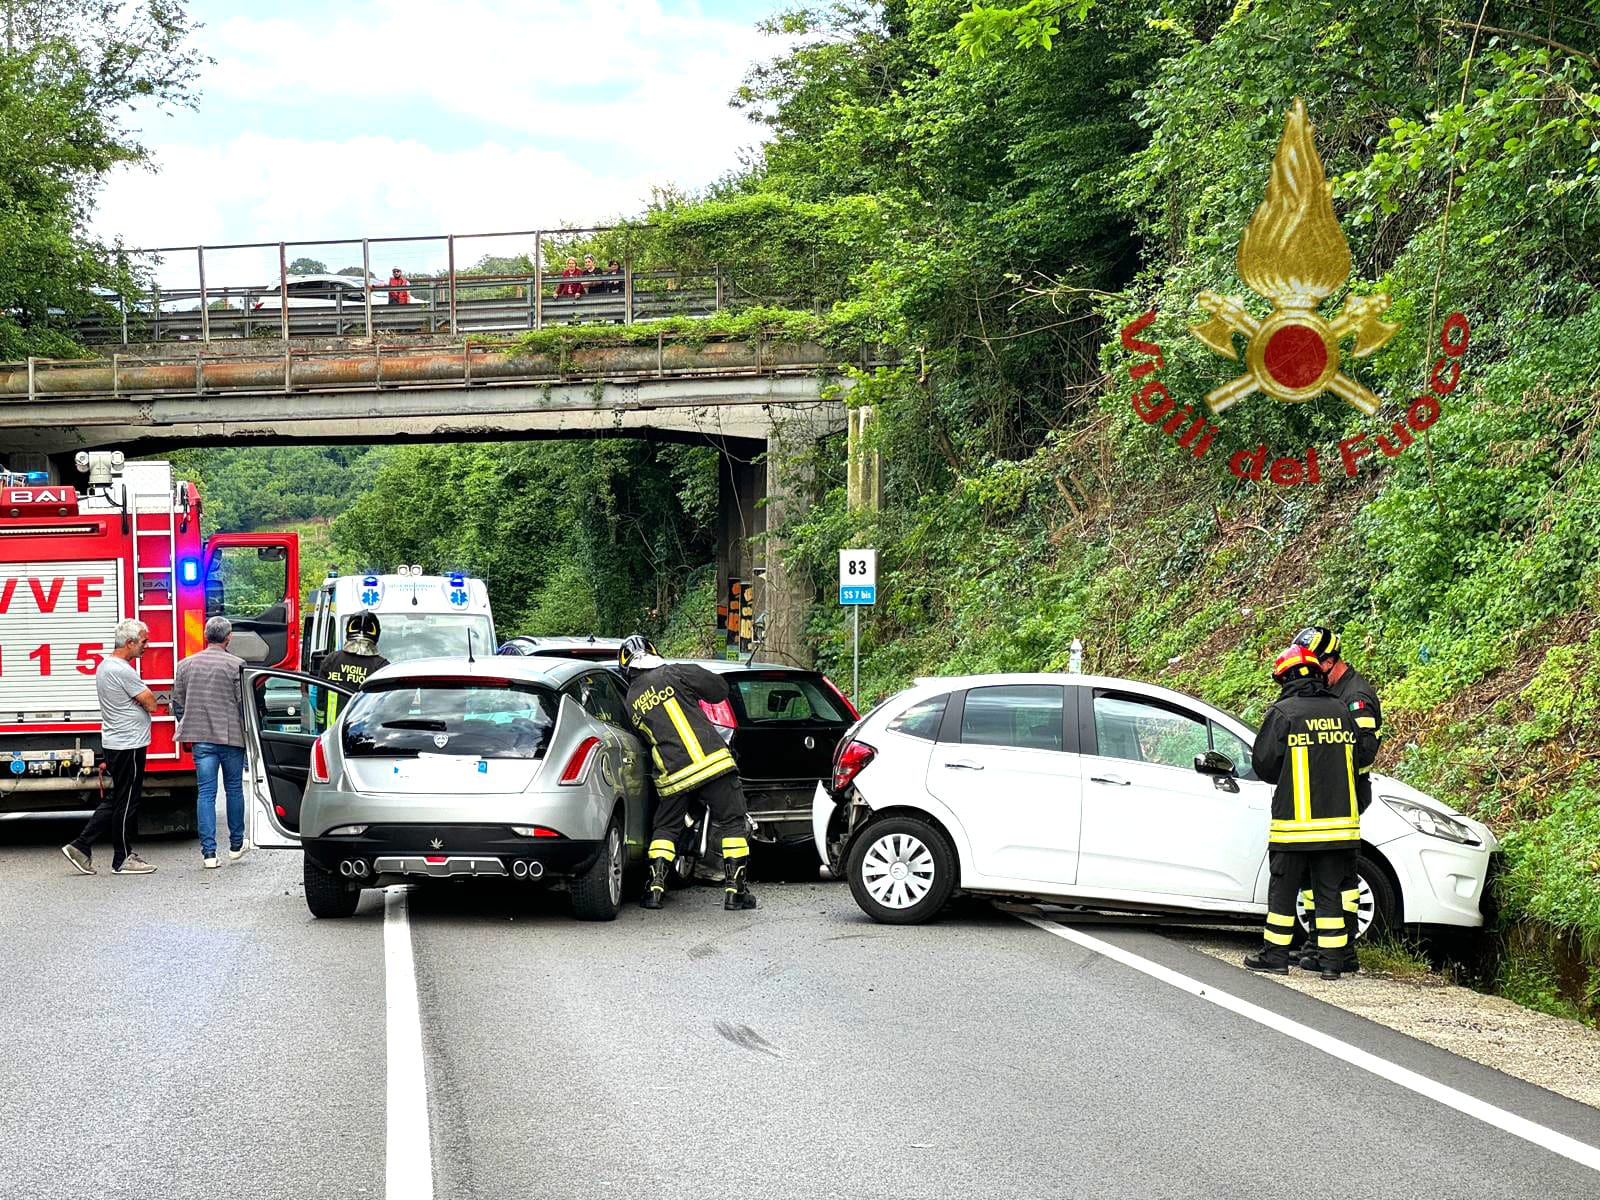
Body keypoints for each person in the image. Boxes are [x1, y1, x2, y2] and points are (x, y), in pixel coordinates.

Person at [1244, 645, 1377, 979]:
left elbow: (1264, 764)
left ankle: (1275, 957)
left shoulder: (1284, 712)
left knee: (1284, 891)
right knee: (1330, 892)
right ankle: (1331, 963)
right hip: (1340, 827)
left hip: (1295, 826)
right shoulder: (1343, 711)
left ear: (1286, 678)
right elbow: (1362, 756)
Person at [617, 634, 756, 912]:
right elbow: (718, 689)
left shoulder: (631, 700)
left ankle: (655, 889)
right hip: (713, 765)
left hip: (673, 775)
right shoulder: (676, 672)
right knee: (731, 823)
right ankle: (735, 891)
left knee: (666, 828)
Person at [1292, 624, 1383, 965]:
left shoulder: (1355, 697)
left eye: (1314, 666)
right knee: (1316, 875)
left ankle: (1340, 947)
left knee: (1339, 876)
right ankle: (1323, 941)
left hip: (1345, 796)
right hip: (1329, 795)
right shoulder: (1331, 693)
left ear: (1330, 662)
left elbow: (1365, 751)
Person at [62, 620, 160, 876]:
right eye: (143, 642)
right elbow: (151, 703)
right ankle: (123, 858)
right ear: (130, 643)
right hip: (129, 744)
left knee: (118, 798)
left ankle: (81, 846)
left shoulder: (106, 666)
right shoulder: (123, 670)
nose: (146, 647)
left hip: (117, 741)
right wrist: (142, 703)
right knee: (128, 801)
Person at [173, 616, 249, 870]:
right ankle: (236, 846)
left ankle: (208, 854)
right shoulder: (237, 664)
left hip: (201, 738)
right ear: (229, 637)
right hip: (230, 738)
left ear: (206, 635)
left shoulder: (185, 665)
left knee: (205, 793)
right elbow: (243, 704)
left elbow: (179, 703)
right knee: (234, 790)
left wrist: (188, 723)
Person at [314, 612, 389, 726]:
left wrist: (320, 727)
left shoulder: (331, 660)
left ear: (348, 631)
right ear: (376, 634)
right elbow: (387, 705)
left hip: (333, 734)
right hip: (365, 735)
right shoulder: (382, 667)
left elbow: (320, 699)